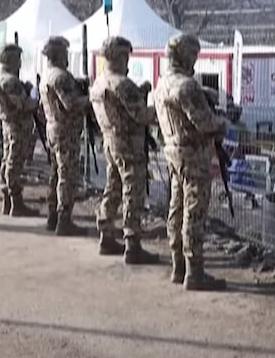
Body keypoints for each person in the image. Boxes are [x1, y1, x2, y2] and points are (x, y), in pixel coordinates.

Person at [154, 33, 229, 291]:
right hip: (194, 156)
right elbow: (205, 123)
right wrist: (223, 123)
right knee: (194, 213)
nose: (195, 61)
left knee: (176, 209)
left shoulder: (162, 83)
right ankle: (194, 272)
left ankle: (178, 266)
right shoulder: (186, 86)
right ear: (185, 56)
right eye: (193, 55)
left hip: (174, 154)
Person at [89, 36, 161, 261]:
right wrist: (161, 108)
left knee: (113, 188)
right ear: (119, 57)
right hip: (129, 145)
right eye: (125, 56)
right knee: (133, 191)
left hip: (111, 142)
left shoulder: (99, 82)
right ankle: (132, 243)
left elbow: (118, 107)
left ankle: (106, 233)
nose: (127, 61)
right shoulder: (122, 83)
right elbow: (141, 115)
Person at [39, 36, 90, 236]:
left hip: (53, 129)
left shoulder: (47, 75)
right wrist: (90, 97)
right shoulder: (61, 77)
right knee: (67, 176)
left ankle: (53, 215)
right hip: (65, 131)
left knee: (56, 174)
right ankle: (64, 219)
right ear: (60, 55)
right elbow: (71, 103)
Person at [0, 44, 41, 218]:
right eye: (18, 59)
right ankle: (16, 202)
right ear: (11, 60)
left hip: (8, 125)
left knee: (7, 160)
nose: (20, 63)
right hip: (18, 125)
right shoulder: (10, 81)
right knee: (14, 163)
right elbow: (26, 105)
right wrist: (34, 96)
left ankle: (7, 201)